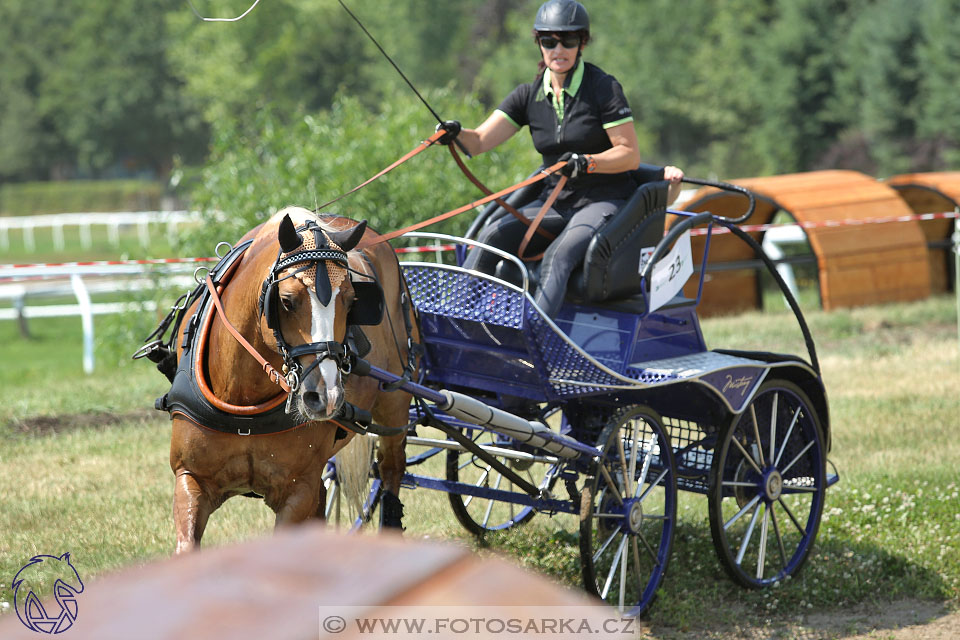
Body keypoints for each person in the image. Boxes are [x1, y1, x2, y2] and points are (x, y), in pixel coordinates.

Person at [436, 0, 684, 317]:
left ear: (582, 42)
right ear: (539, 43)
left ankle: (538, 341)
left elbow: (629, 155)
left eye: (568, 40)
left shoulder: (603, 88)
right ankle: (454, 324)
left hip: (602, 200)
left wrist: (587, 162)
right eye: (549, 41)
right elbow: (481, 141)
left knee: (560, 254)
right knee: (490, 236)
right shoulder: (529, 95)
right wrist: (454, 133)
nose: (558, 49)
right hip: (554, 201)